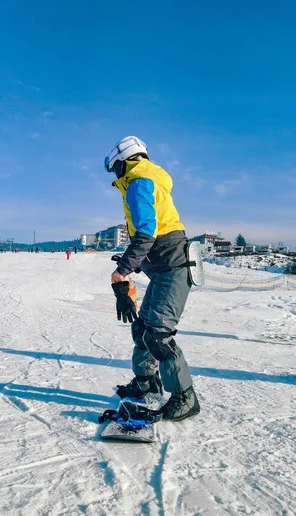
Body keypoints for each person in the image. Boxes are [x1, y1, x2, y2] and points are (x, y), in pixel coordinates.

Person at [104, 136, 199, 422]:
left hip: (172, 268)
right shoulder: (147, 179)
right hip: (162, 268)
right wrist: (129, 261)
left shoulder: (139, 182)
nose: (116, 175)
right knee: (143, 328)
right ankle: (147, 384)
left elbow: (147, 233)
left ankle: (185, 397)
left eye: (115, 169)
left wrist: (123, 269)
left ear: (123, 162)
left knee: (158, 335)